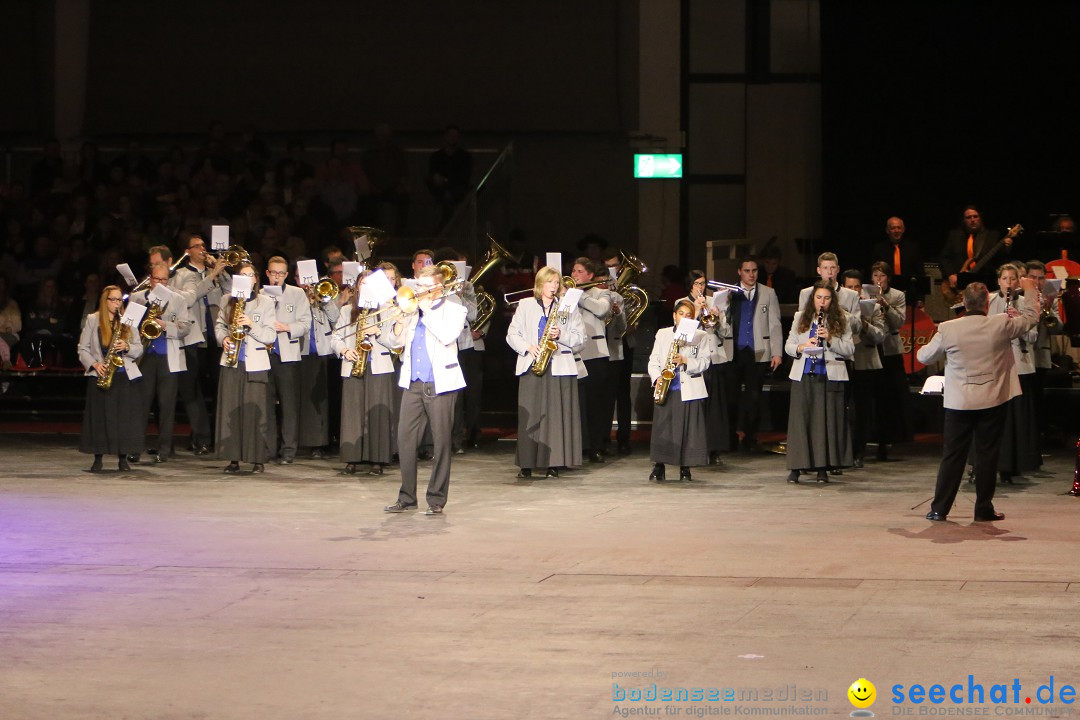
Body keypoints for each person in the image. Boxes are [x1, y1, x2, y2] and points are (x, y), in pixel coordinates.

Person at [919, 277, 1039, 522]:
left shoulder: (948, 328)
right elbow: (1030, 318)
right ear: (987, 303)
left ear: (963, 302)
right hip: (991, 400)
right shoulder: (1001, 324)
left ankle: (939, 509)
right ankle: (983, 508)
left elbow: (923, 356)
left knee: (952, 456)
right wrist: (1029, 289)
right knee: (987, 455)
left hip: (959, 403)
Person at [381, 266, 468, 515]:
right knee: (405, 440)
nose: (419, 291)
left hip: (441, 383)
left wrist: (426, 311)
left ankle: (436, 499)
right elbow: (394, 343)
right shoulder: (411, 310)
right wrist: (398, 324)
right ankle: (407, 496)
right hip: (413, 383)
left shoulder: (454, 309)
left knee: (441, 443)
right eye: (418, 286)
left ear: (438, 287)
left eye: (424, 287)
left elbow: (447, 335)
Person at [506, 266, 586, 478]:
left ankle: (554, 463)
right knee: (530, 417)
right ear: (540, 284)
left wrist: (561, 334)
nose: (554, 286)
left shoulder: (568, 308)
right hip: (532, 364)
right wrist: (528, 347)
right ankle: (526, 464)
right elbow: (512, 334)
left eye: (557, 283)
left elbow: (580, 340)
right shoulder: (525, 305)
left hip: (560, 367)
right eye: (550, 282)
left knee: (555, 417)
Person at [784, 281, 855, 484]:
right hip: (804, 374)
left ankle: (822, 468)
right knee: (800, 422)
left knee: (824, 423)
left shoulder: (842, 319)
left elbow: (849, 349)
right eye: (818, 298)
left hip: (829, 376)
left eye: (826, 298)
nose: (822, 302)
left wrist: (831, 339)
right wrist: (802, 347)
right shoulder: (801, 317)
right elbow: (789, 345)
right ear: (812, 299)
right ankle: (796, 467)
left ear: (832, 301)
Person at [332, 267, 399, 476]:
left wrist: (378, 331)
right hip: (353, 364)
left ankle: (377, 460)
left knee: (377, 414)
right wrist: (344, 350)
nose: (365, 287)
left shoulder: (387, 310)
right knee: (352, 413)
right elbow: (335, 337)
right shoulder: (346, 311)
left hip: (379, 366)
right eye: (362, 283)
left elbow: (395, 342)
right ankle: (351, 459)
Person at [215, 263, 277, 474]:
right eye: (243, 275)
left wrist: (251, 324)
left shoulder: (265, 302)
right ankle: (233, 458)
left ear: (255, 280)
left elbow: (270, 336)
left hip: (255, 364)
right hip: (232, 362)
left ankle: (257, 458)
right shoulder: (226, 300)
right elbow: (219, 325)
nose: (247, 279)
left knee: (254, 412)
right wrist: (223, 338)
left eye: (251, 275)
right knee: (230, 410)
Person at [128, 263, 193, 463]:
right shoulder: (137, 298)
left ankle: (164, 450)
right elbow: (128, 326)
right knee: (141, 404)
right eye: (157, 279)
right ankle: (135, 448)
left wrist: (165, 325)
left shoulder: (178, 300)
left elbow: (185, 328)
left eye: (165, 280)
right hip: (145, 355)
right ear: (150, 279)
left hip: (168, 358)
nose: (161, 283)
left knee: (166, 405)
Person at [172, 232, 230, 455]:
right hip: (193, 338)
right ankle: (202, 437)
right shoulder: (180, 275)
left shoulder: (216, 274)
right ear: (188, 252)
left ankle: (215, 436)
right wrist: (211, 275)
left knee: (218, 389)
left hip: (216, 337)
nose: (203, 249)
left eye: (204, 246)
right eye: (197, 246)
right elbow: (188, 298)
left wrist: (221, 271)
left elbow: (233, 292)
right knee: (191, 390)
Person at [77, 286, 144, 472]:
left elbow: (139, 348)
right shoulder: (93, 320)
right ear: (105, 301)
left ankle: (123, 459)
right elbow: (82, 348)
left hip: (123, 376)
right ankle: (97, 458)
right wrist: (94, 364)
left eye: (118, 300)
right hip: (101, 373)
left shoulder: (128, 321)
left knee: (123, 419)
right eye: (113, 300)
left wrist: (128, 347)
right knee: (99, 419)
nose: (116, 303)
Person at [648, 299, 711, 482]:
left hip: (689, 389)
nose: (684, 318)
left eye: (688, 315)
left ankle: (685, 468)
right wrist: (657, 377)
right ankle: (659, 466)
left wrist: (686, 361)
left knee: (688, 430)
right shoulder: (663, 334)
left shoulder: (700, 336)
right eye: (681, 314)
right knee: (663, 428)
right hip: (667, 388)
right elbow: (653, 361)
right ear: (674, 316)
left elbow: (705, 362)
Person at [988, 264, 1040, 485]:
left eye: (1013, 279)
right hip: (997, 366)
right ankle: (998, 463)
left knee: (1017, 419)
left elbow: (1033, 337)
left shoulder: (1025, 303)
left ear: (1018, 282)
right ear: (998, 281)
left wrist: (1019, 320)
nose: (1008, 283)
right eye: (1004, 278)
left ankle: (1015, 464)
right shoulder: (990, 302)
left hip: (1020, 366)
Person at [724, 256, 783, 452]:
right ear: (739, 272)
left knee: (754, 396)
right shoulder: (729, 293)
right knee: (731, 396)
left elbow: (774, 324)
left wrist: (777, 352)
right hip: (733, 351)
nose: (751, 274)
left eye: (754, 271)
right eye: (747, 271)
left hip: (758, 351)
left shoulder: (768, 293)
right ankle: (730, 435)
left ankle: (750, 436)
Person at [262, 256, 311, 464]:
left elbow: (306, 323)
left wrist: (287, 327)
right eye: (274, 273)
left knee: (289, 406)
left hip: (287, 355)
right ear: (267, 273)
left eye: (281, 274)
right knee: (266, 404)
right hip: (264, 355)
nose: (277, 277)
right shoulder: (261, 294)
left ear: (286, 275)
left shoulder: (297, 293)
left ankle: (289, 450)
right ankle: (268, 449)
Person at [684, 270, 730, 463]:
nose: (701, 287)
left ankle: (714, 450)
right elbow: (682, 333)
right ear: (690, 286)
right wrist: (695, 312)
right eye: (697, 284)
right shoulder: (682, 303)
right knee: (696, 405)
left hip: (713, 358)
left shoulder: (713, 302)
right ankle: (695, 449)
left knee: (714, 408)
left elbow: (726, 332)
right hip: (693, 360)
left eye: (703, 283)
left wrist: (717, 319)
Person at [842, 270, 886, 468]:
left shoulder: (872, 307)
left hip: (865, 363)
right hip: (844, 361)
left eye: (857, 287)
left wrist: (865, 324)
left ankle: (859, 450)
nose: (854, 290)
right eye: (849, 287)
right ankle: (845, 450)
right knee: (845, 409)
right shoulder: (839, 307)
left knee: (862, 409)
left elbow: (880, 336)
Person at [570, 257, 612, 463]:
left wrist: (578, 296)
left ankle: (596, 446)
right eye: (573, 271)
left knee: (595, 404)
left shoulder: (600, 292)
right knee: (576, 404)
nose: (574, 274)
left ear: (590, 275)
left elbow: (602, 310)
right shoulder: (566, 294)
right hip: (574, 355)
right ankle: (579, 446)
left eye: (579, 271)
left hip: (595, 355)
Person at [296, 259, 340, 459]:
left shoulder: (323, 298)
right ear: (296, 279)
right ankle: (302, 441)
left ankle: (320, 443)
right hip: (300, 353)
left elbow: (337, 319)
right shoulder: (295, 297)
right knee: (302, 400)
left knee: (320, 403)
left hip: (322, 354)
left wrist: (323, 299)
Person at [869, 261, 912, 459]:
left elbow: (899, 321)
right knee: (875, 394)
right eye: (876, 275)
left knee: (891, 394)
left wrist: (885, 305)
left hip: (891, 349)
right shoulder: (864, 293)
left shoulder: (897, 295)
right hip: (872, 348)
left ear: (888, 278)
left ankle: (890, 439)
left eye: (882, 276)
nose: (879, 280)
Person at [939, 206, 1012, 301]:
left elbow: (1002, 259)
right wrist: (950, 275)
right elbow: (944, 257)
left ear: (980, 218)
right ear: (964, 220)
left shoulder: (992, 236)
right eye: (968, 218)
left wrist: (1007, 246)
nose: (972, 220)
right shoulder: (955, 236)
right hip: (961, 286)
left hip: (986, 285)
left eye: (975, 216)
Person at [602, 249, 634, 455]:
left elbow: (632, 318)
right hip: (603, 346)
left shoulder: (630, 290)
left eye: (615, 266)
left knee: (623, 393)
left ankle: (624, 437)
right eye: (608, 267)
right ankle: (603, 437)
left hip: (624, 344)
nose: (612, 270)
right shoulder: (600, 290)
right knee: (605, 394)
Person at [426, 125, 473, 226]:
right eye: (451, 135)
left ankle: (446, 227)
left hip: (458, 189)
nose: (453, 138)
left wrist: (445, 180)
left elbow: (464, 177)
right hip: (439, 189)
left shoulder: (465, 157)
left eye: (456, 136)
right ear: (445, 137)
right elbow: (432, 174)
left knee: (449, 196)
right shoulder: (436, 156)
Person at [869, 217, 923, 296]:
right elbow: (873, 273)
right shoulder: (879, 249)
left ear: (903, 230)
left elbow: (920, 273)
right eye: (893, 228)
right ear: (887, 230)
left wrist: (920, 298)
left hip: (909, 291)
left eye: (899, 228)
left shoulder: (913, 248)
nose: (896, 231)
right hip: (885, 291)